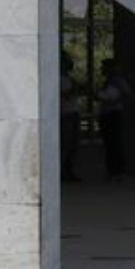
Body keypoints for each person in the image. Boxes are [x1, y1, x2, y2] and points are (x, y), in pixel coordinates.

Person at [95, 59, 131, 181]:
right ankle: (117, 171)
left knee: (112, 143)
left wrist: (96, 94)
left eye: (104, 67)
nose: (102, 70)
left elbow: (108, 97)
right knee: (114, 143)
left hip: (110, 115)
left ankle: (115, 171)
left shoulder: (114, 81)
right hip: (114, 114)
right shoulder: (119, 81)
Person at [59, 53, 82, 183]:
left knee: (73, 145)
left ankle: (68, 171)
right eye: (67, 62)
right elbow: (66, 95)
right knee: (65, 145)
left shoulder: (67, 78)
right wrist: (74, 87)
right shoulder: (58, 78)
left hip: (72, 112)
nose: (69, 64)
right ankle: (63, 172)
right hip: (65, 114)